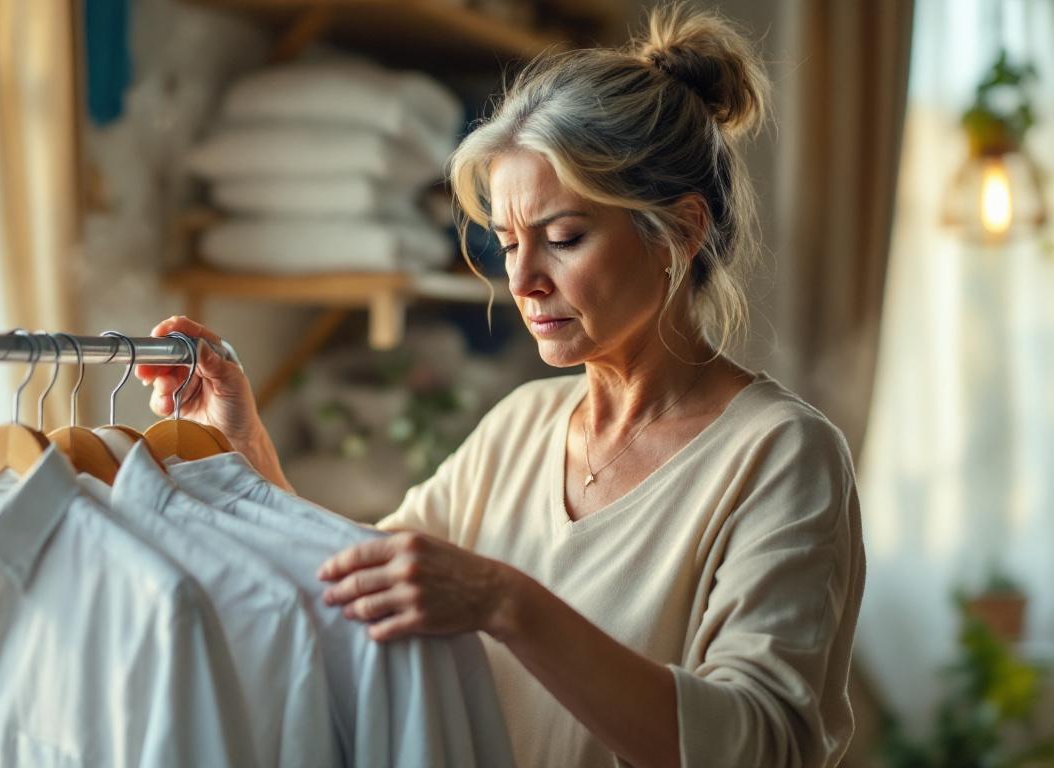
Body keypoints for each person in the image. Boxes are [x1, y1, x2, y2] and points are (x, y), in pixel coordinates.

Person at [139, 5, 864, 766]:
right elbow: (355, 588)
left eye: (563, 239)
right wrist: (244, 443)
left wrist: (506, 602)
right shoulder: (523, 424)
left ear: (679, 232)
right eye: (510, 243)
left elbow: (763, 743)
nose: (521, 280)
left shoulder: (781, 457)